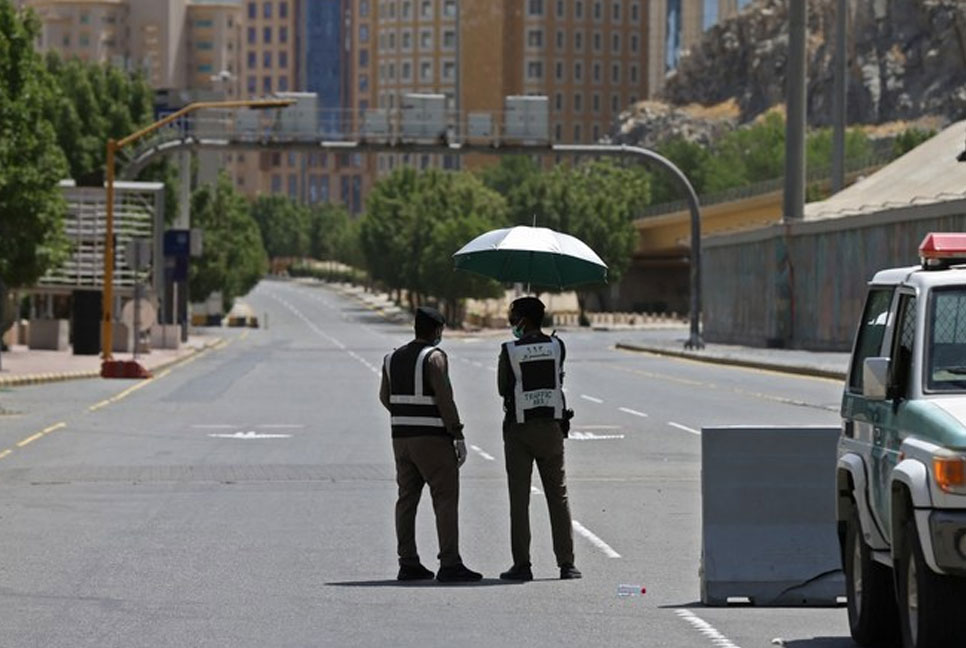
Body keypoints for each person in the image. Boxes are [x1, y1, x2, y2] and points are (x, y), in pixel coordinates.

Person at [380, 306, 482, 583]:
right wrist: (457, 433)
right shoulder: (434, 358)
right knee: (445, 499)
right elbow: (445, 399)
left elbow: (384, 397)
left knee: (406, 499)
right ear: (437, 330)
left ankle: (408, 562)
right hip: (433, 440)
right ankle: (450, 563)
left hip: (401, 439)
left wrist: (406, 416)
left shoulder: (391, 358)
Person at [497, 296, 581, 581]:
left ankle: (522, 565)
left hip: (519, 430)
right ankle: (566, 564)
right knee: (558, 496)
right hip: (551, 428)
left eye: (514, 316)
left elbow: (502, 388)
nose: (511, 322)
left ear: (523, 319)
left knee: (519, 500)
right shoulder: (558, 346)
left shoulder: (509, 350)